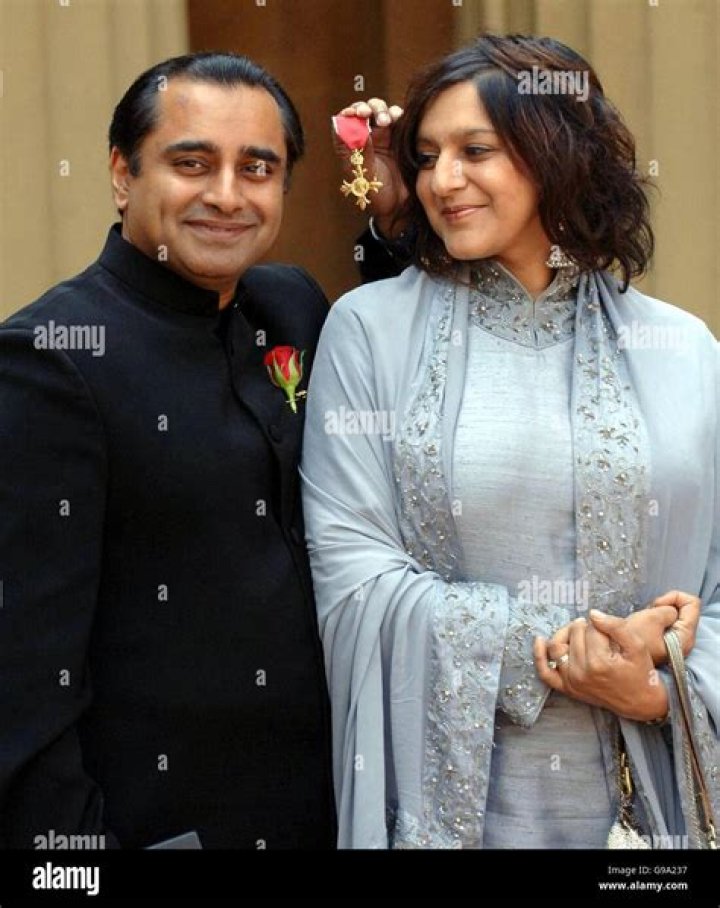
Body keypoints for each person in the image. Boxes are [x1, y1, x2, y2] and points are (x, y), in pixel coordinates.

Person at [301, 35, 719, 848]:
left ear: (557, 152)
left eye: (475, 151)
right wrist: (571, 655)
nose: (441, 181)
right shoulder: (370, 332)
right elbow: (353, 577)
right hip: (453, 809)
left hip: (653, 804)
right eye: (426, 157)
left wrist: (656, 691)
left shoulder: (684, 349)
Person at [0, 52, 402, 849]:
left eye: (257, 168)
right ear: (122, 175)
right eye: (192, 164)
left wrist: (395, 220)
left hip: (325, 813)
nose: (226, 195)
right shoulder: (48, 359)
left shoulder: (289, 305)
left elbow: (415, 363)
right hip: (161, 826)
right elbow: (21, 677)